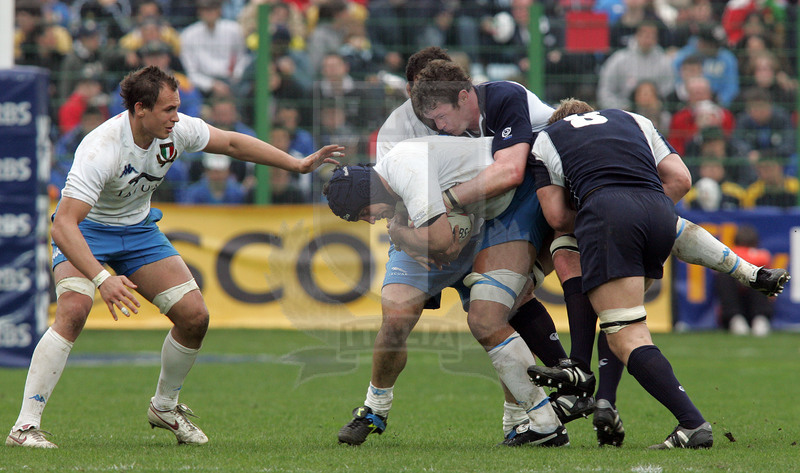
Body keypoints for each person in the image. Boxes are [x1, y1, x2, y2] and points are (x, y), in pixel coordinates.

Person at [5, 65, 343, 449]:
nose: (176, 117)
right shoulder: (101, 149)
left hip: (138, 230)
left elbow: (231, 143)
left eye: (177, 107)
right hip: (87, 232)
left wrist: (296, 164)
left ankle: (165, 407)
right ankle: (24, 427)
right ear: (140, 109)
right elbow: (63, 225)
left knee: (194, 316)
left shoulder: (175, 130)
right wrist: (102, 279)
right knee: (74, 310)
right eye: (168, 109)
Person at [335, 47, 582, 448]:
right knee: (396, 316)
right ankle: (375, 408)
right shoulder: (397, 133)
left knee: (503, 311)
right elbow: (390, 206)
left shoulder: (493, 102)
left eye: (433, 98)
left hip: (484, 221)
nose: (430, 114)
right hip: (419, 227)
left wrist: (448, 216)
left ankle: (523, 416)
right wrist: (415, 238)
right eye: (419, 96)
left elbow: (508, 171)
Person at [530, 98, 714, 449]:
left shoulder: (550, 137)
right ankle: (603, 397)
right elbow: (681, 177)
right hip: (659, 219)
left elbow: (556, 217)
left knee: (624, 331)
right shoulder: (632, 120)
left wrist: (607, 213)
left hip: (611, 221)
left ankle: (692, 423)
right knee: (619, 316)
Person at [715, 225, 775, 336]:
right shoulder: (762, 255)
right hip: (735, 308)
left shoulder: (729, 254)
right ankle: (738, 319)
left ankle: (757, 319)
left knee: (756, 274)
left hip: (752, 305)